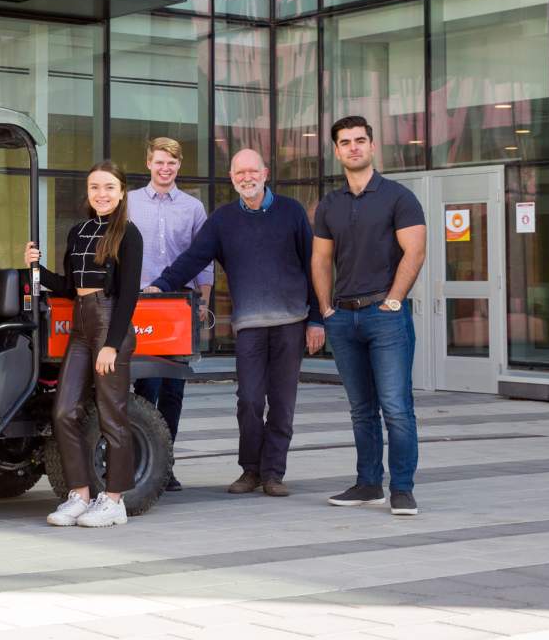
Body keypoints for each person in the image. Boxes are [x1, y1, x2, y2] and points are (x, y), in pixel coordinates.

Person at [145, 149, 324, 497]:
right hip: (249, 325)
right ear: (231, 177)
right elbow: (193, 258)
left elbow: (313, 266)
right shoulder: (223, 220)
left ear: (265, 173)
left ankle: (273, 473)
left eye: (252, 171)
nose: (246, 178)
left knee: (283, 401)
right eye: (239, 173)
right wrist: (161, 285)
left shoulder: (292, 212)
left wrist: (316, 319)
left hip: (291, 321)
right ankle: (250, 470)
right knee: (250, 400)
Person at [311, 116, 426, 517]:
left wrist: (395, 300)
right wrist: (326, 308)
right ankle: (368, 484)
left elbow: (415, 251)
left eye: (360, 140)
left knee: (395, 406)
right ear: (337, 151)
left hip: (385, 315)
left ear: (372, 146)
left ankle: (403, 489)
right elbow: (321, 259)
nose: (354, 147)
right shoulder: (330, 204)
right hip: (344, 318)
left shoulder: (398, 196)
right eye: (345, 142)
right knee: (361, 408)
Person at [27, 160, 143, 529]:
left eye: (109, 187)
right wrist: (37, 269)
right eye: (95, 187)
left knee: (113, 415)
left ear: (122, 191)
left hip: (111, 322)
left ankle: (114, 501)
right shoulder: (79, 231)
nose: (101, 194)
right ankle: (80, 494)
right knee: (64, 411)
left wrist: (112, 344)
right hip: (81, 321)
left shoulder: (129, 234)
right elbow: (68, 285)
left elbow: (129, 295)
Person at [127, 137, 212, 491]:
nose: (166, 168)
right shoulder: (128, 202)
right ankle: (144, 459)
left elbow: (203, 256)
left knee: (174, 388)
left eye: (172, 163)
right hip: (141, 302)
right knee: (147, 382)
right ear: (149, 162)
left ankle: (166, 464)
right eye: (160, 162)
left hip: (180, 304)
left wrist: (205, 300)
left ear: (179, 166)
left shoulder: (193, 207)